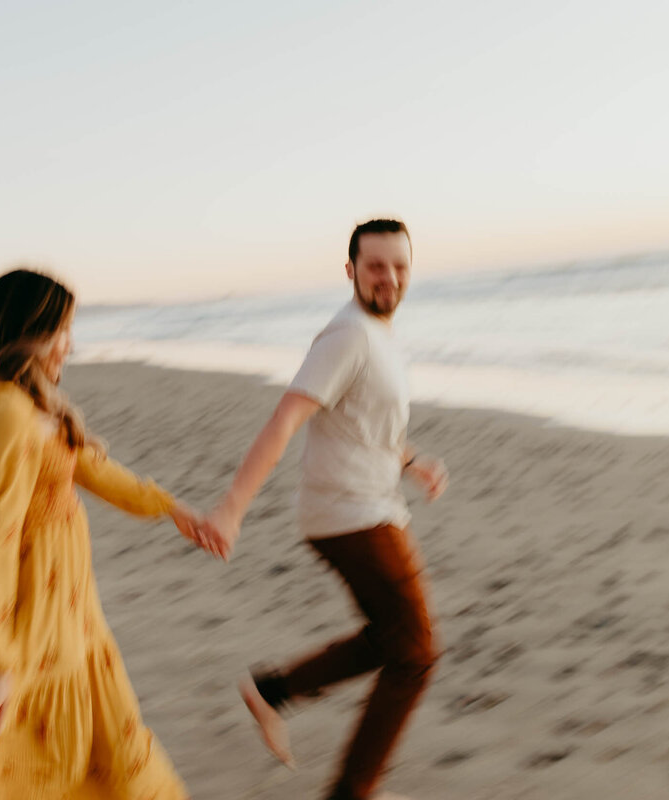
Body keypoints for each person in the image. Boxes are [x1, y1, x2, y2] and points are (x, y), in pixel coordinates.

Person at [0, 268, 211, 800]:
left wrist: (170, 507)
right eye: (61, 332)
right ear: (26, 333)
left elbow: (93, 470)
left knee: (96, 746)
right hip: (39, 611)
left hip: (75, 610)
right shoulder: (5, 409)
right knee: (22, 757)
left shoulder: (34, 400)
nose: (69, 345)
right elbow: (0, 537)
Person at [204, 219, 449, 800]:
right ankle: (352, 791)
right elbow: (286, 419)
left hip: (369, 504)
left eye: (399, 266)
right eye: (374, 266)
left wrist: (412, 462)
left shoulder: (381, 335)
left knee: (389, 639)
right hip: (350, 514)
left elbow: (369, 424)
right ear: (351, 272)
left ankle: (272, 691)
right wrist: (232, 508)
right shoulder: (348, 336)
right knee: (416, 654)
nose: (388, 277)